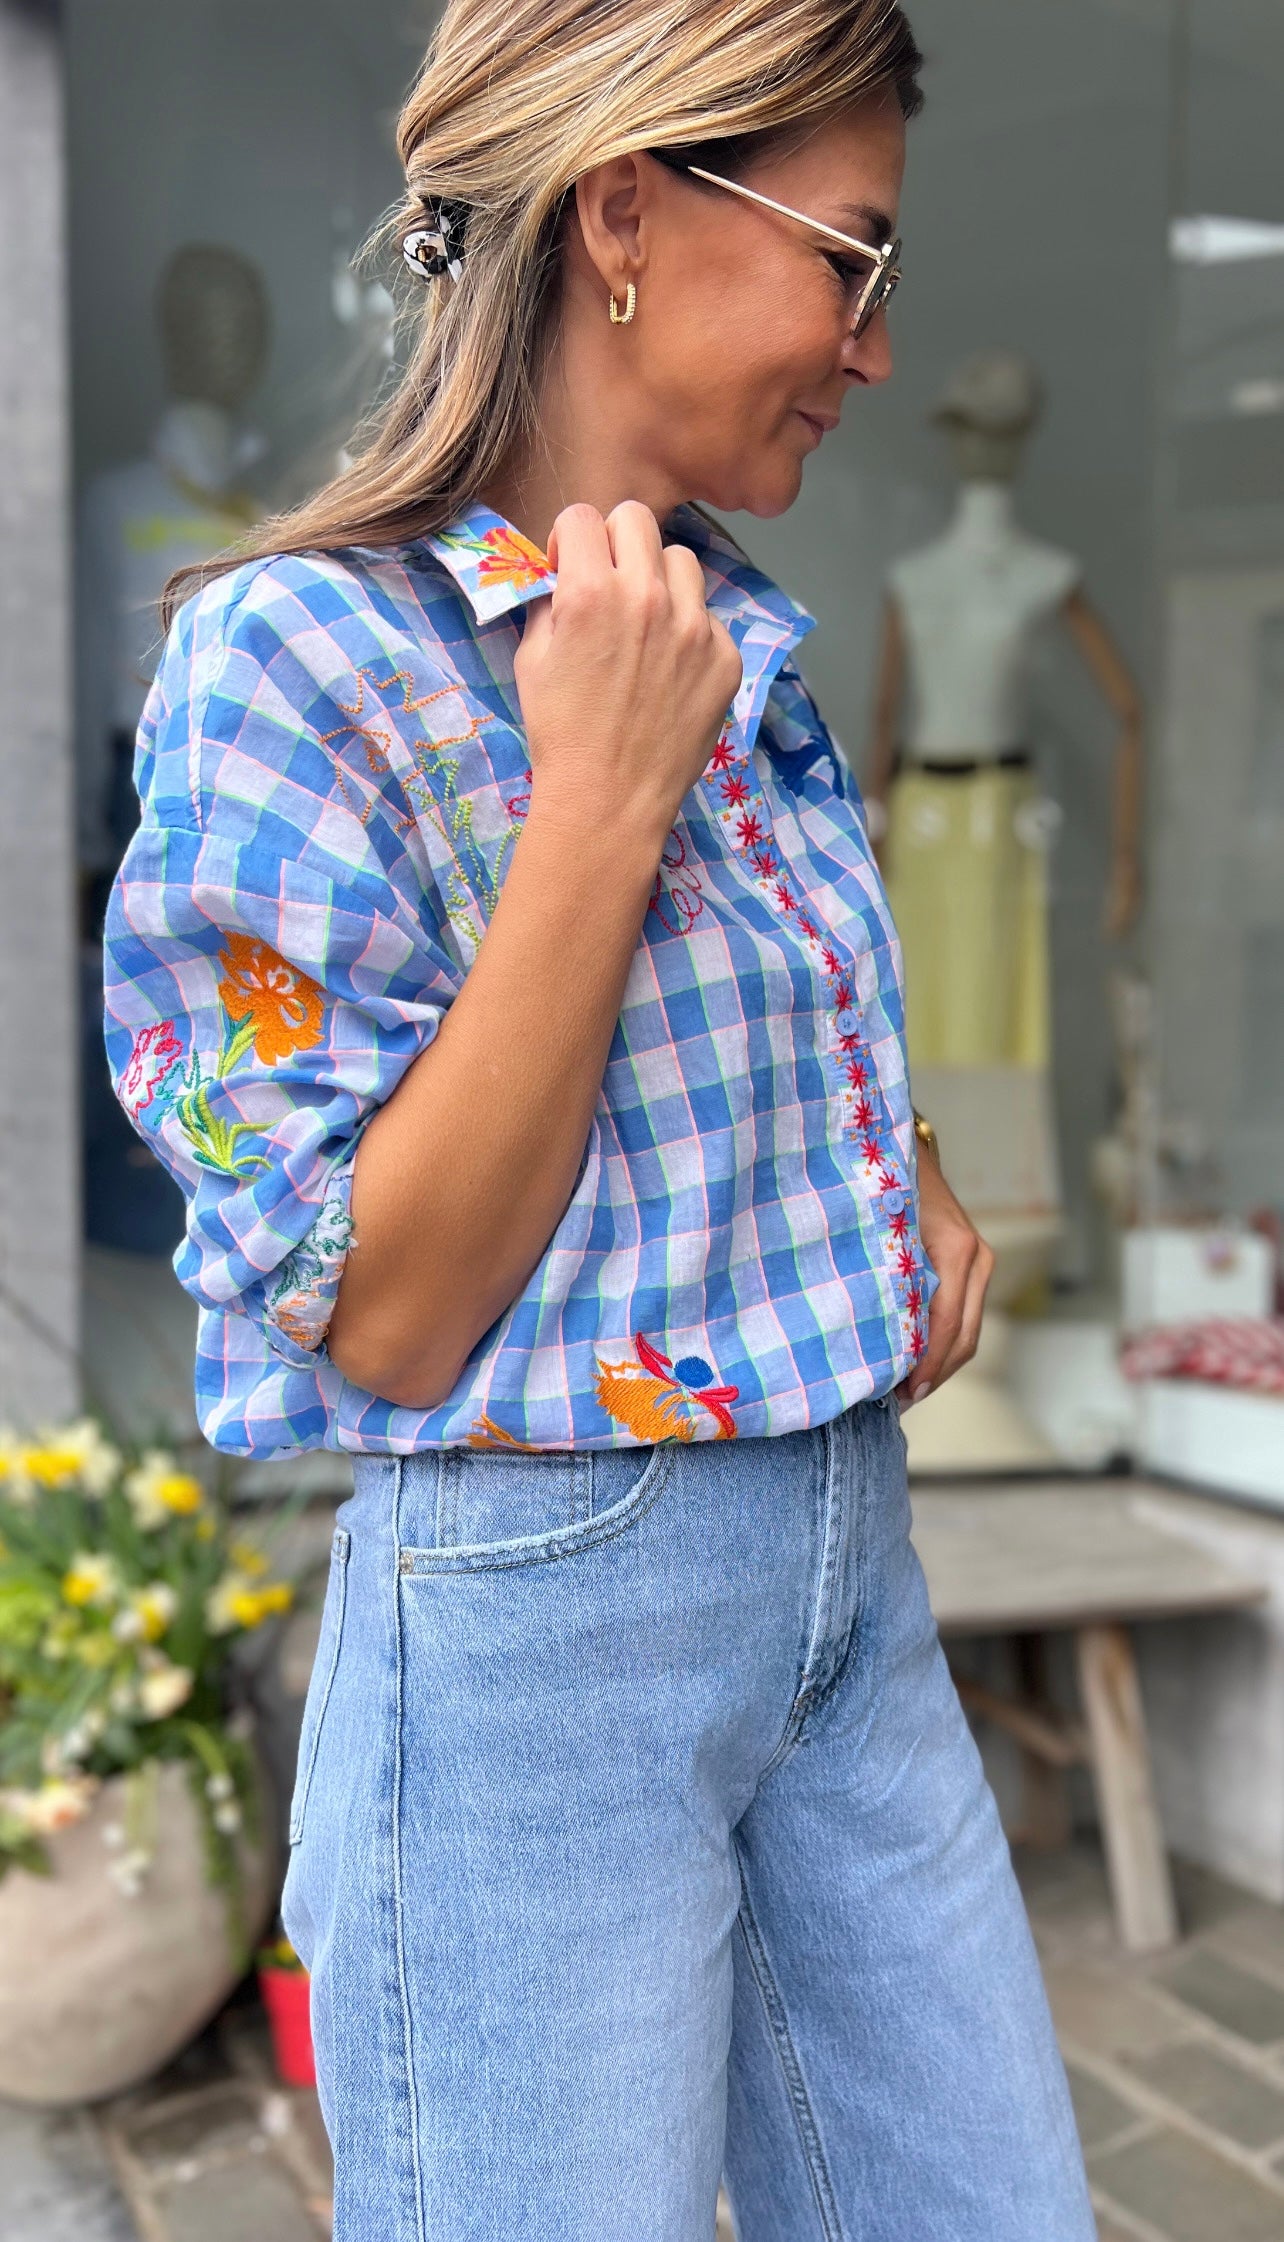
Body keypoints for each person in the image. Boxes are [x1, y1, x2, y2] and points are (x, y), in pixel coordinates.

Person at [105, 1, 1094, 2233]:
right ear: (629, 212)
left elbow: (707, 1067)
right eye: (852, 257)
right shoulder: (298, 659)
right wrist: (603, 798)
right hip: (542, 1654)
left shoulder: (737, 632)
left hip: (849, 1582)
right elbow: (388, 1299)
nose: (872, 342)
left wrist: (889, 1173)